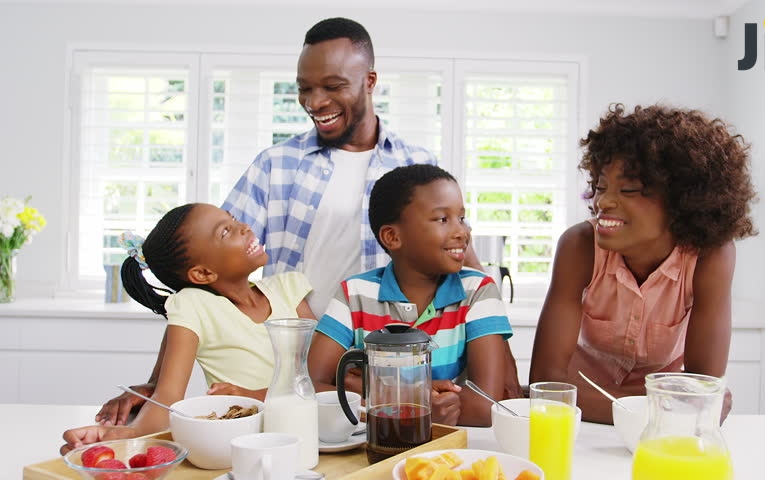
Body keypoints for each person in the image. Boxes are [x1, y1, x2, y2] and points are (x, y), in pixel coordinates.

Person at [95, 17, 522, 425]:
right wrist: (157, 385)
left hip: (387, 366)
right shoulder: (274, 167)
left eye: (333, 86)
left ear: (369, 81)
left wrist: (508, 377)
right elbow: (202, 268)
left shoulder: (417, 166)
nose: (315, 102)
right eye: (305, 88)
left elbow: (464, 265)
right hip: (298, 369)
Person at [529, 104, 757, 424]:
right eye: (600, 186)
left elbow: (703, 390)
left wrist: (685, 406)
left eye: (628, 190)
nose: (602, 202)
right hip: (583, 424)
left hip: (612, 414)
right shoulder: (579, 247)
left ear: (683, 200)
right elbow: (547, 388)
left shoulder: (710, 256)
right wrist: (663, 409)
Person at [61, 203, 315, 453]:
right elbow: (168, 397)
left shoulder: (288, 287)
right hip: (244, 445)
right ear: (203, 274)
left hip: (310, 433)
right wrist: (129, 435)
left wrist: (254, 394)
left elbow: (321, 379)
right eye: (225, 231)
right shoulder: (192, 306)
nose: (244, 227)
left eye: (234, 219)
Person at [308, 164, 515, 427]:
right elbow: (310, 386)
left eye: (461, 218)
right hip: (373, 442)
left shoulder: (478, 292)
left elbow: (486, 406)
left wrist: (369, 389)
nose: (462, 232)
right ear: (392, 237)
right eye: (443, 219)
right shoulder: (355, 294)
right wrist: (414, 402)